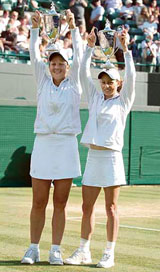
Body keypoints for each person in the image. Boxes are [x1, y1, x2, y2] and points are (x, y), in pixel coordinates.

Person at [64, 26, 136, 269]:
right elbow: (83, 73)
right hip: (93, 156)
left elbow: (133, 77)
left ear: (119, 84)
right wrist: (88, 47)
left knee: (112, 208)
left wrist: (126, 51)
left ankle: (109, 253)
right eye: (103, 81)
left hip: (113, 158)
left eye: (111, 82)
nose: (106, 85)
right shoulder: (94, 98)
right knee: (86, 207)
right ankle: (84, 250)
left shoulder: (124, 100)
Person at [21, 9, 82, 265]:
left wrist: (74, 27)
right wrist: (34, 29)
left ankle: (55, 249)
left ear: (68, 66)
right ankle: (33, 248)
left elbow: (81, 56)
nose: (56, 66)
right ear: (49, 66)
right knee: (38, 201)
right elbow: (34, 56)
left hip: (66, 145)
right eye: (53, 63)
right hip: (44, 144)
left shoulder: (76, 82)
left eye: (61, 63)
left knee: (60, 202)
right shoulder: (42, 81)